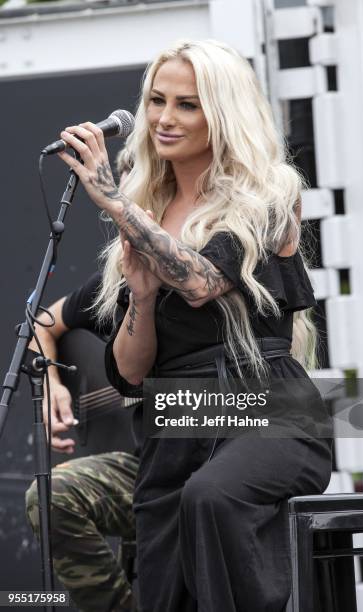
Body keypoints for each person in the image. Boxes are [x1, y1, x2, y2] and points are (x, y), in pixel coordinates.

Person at [57, 39, 333, 612]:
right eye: (157, 100)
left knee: (213, 497)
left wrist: (110, 200)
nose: (163, 117)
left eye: (188, 104)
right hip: (176, 417)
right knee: (163, 559)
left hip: (266, 403)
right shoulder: (145, 208)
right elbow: (131, 375)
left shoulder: (270, 191)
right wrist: (140, 298)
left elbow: (204, 282)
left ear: (223, 113)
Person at [25, 271, 140, 612]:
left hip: (210, 466)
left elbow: (283, 404)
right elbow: (40, 325)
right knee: (48, 497)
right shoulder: (127, 278)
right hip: (144, 464)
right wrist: (51, 384)